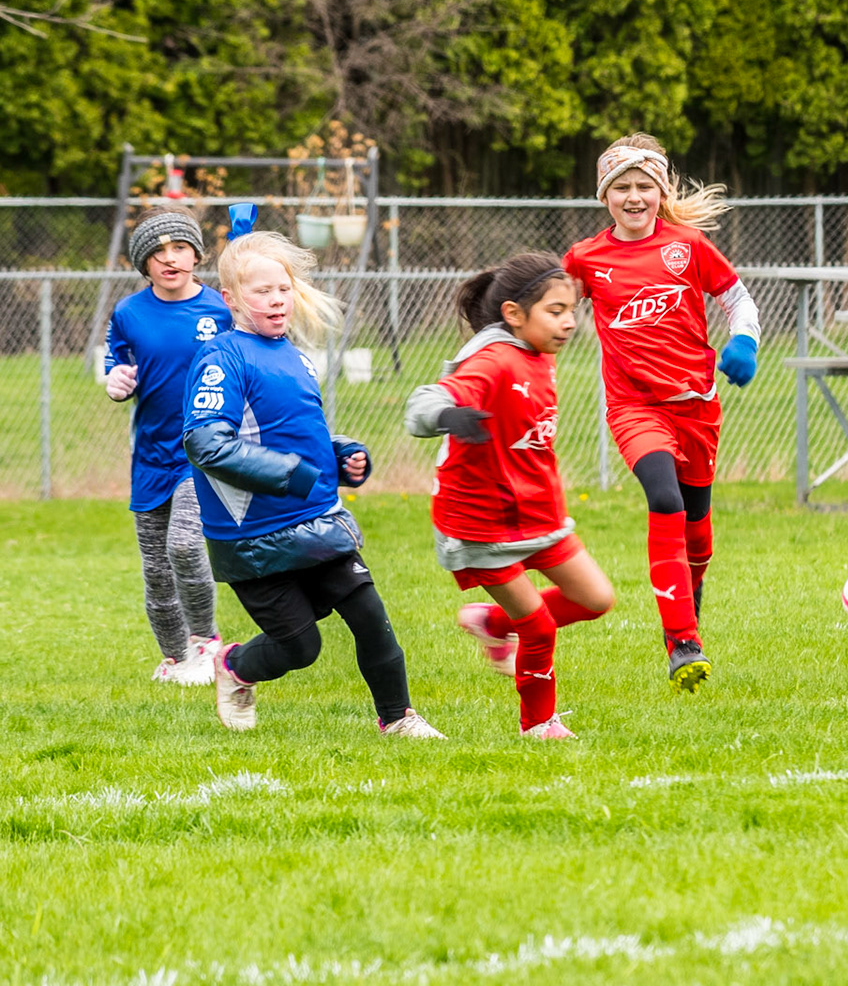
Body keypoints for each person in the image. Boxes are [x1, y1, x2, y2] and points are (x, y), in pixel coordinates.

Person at [184, 230, 443, 737]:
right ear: (230, 299)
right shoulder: (222, 358)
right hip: (251, 536)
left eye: (283, 288)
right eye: (261, 291)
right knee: (300, 648)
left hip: (318, 519)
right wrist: (287, 474)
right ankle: (234, 666)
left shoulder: (297, 356)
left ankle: (398, 718)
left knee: (371, 618)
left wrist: (341, 453)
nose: (277, 299)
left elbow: (297, 430)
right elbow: (206, 443)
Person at [564, 135, 760, 692]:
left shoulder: (688, 246)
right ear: (605, 197)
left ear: (661, 191)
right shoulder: (585, 258)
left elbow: (739, 299)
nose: (633, 197)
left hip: (696, 407)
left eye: (643, 186)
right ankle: (682, 642)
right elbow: (546, 307)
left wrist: (743, 341)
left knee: (698, 527)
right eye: (620, 188)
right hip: (633, 407)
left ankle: (688, 598)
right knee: (665, 497)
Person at [405, 253, 614, 739]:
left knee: (596, 598)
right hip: (482, 525)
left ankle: (495, 624)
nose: (569, 323)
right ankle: (538, 725)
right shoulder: (496, 360)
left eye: (572, 310)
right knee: (538, 627)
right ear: (515, 315)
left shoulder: (539, 354)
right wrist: (448, 416)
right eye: (555, 311)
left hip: (538, 515)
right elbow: (424, 402)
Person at [104, 209, 231, 685]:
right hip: (150, 455)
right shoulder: (128, 313)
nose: (169, 259)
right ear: (144, 265)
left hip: (201, 451)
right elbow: (115, 362)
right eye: (156, 253)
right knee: (156, 569)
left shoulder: (222, 308)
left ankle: (207, 642)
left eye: (179, 248)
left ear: (196, 254)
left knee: (183, 544)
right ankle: (176, 659)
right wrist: (114, 381)